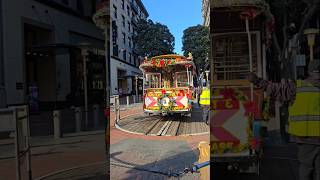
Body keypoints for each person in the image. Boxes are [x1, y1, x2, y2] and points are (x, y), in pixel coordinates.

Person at [248, 59, 320, 180]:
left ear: (309, 71)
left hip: (306, 138)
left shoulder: (297, 87)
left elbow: (276, 89)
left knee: (306, 168)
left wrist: (257, 81)